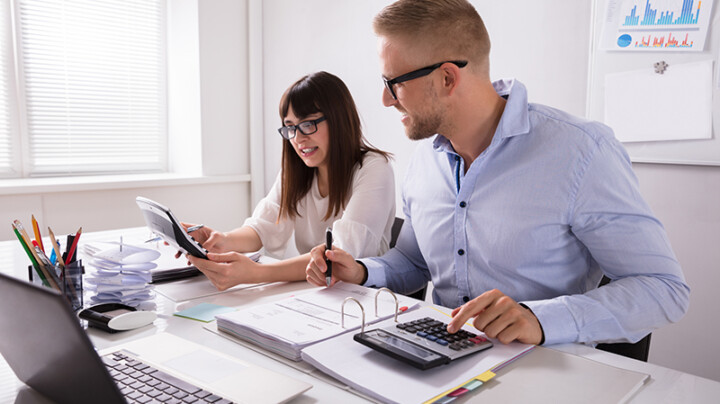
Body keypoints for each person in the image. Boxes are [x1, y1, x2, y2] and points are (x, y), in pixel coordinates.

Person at [307, 0, 689, 347]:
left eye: (395, 84)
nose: (386, 99)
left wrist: (540, 318)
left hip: (544, 371)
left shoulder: (582, 152)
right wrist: (359, 270)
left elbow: (664, 289)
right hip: (438, 361)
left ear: (446, 78)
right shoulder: (425, 159)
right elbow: (415, 263)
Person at [187, 71, 395, 290]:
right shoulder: (298, 170)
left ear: (339, 120)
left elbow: (341, 255)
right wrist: (220, 240)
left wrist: (256, 273)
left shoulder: (374, 167)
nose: (298, 138)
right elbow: (263, 227)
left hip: (364, 300)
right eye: (290, 127)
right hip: (318, 293)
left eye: (308, 124)